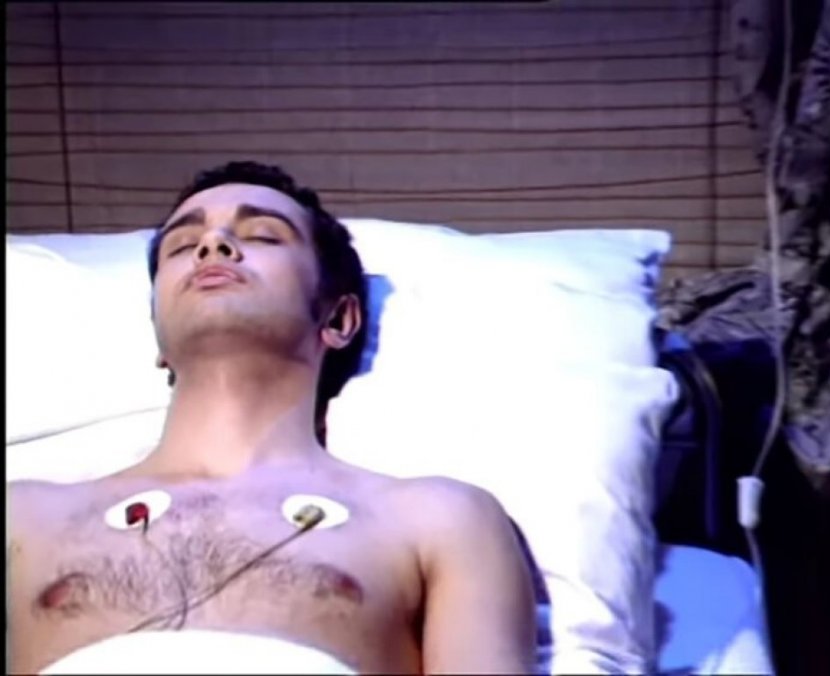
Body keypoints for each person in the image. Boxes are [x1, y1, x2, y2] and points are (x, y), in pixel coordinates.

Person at [7, 162, 537, 675]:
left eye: (263, 235)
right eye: (183, 245)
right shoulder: (25, 518)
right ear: (156, 330)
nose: (213, 245)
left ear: (339, 318)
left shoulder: (437, 519)